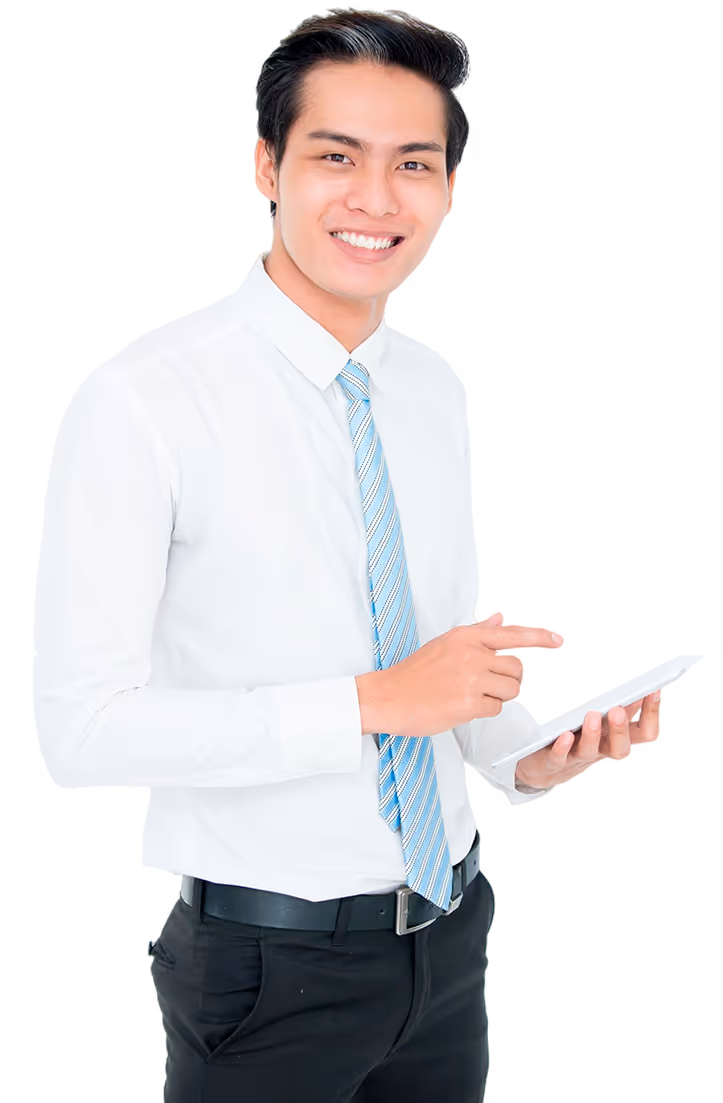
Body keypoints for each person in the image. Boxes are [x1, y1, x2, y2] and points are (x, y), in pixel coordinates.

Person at [43, 11, 660, 1101]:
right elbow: (86, 726)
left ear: (446, 189)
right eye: (337, 156)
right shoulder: (153, 408)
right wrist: (373, 701)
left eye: (413, 165)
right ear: (268, 166)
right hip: (267, 968)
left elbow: (437, 679)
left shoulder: (432, 398)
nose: (376, 200)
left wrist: (528, 753)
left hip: (452, 941)